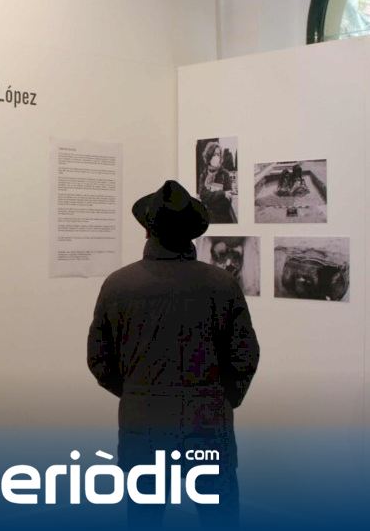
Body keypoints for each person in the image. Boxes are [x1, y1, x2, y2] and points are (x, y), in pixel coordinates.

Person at [88, 180, 259, 528]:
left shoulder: (119, 285)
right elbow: (244, 357)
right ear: (191, 233)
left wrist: (137, 393)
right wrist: (221, 399)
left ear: (148, 230)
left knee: (144, 519)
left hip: (144, 425)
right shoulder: (221, 285)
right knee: (219, 519)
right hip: (207, 425)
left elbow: (99, 360)